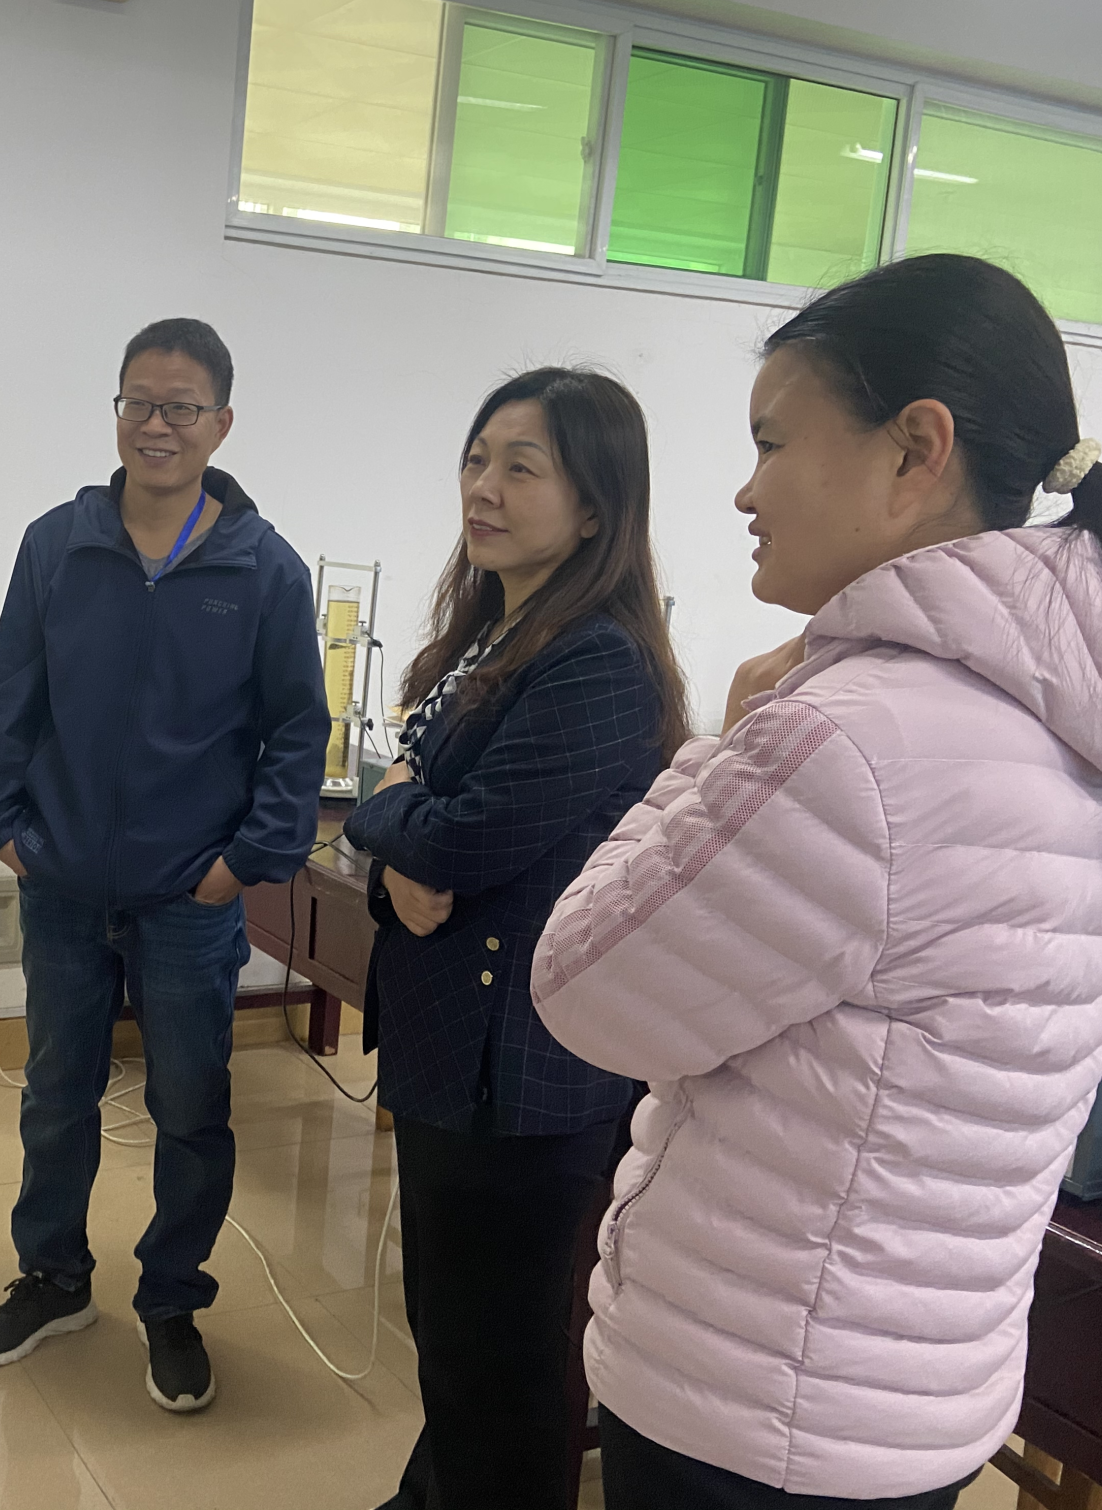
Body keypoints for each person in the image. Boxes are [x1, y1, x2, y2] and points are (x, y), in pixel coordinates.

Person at [532, 254, 1102, 1509]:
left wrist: (718, 749)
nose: (743, 489)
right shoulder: (1084, 715)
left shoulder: (849, 743)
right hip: (920, 1393)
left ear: (915, 450)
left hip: (751, 1401)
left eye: (770, 443)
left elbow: (584, 991)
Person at [0, 317, 328, 1411]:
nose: (154, 426)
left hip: (188, 897)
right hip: (63, 882)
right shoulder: (56, 544)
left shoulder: (261, 568)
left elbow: (295, 731)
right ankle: (53, 1278)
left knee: (190, 1108)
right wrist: (0, 825)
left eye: (179, 407)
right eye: (136, 403)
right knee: (55, 1094)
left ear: (221, 423)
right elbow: (9, 693)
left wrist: (245, 861)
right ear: (115, 409)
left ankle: (171, 1298)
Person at [341, 368, 688, 1510]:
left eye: (520, 467)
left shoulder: (596, 659)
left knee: (505, 1361)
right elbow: (416, 832)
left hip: (524, 1075)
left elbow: (461, 835)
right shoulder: (496, 631)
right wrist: (393, 860)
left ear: (593, 507)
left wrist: (389, 821)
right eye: (476, 458)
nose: (482, 487)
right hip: (457, 1052)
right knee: (454, 1334)